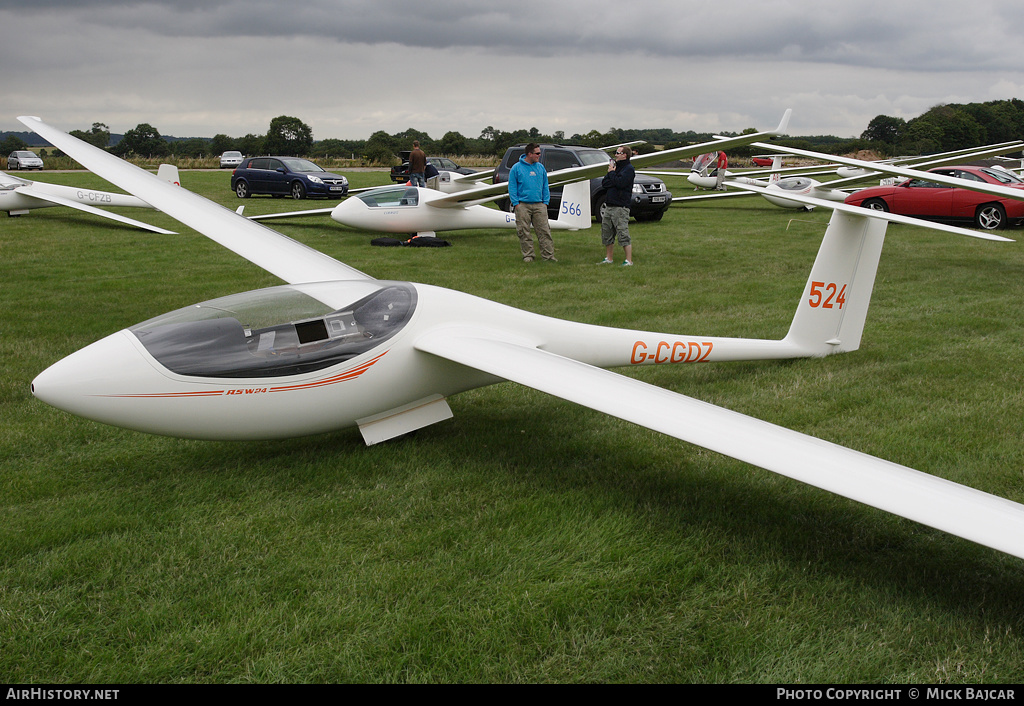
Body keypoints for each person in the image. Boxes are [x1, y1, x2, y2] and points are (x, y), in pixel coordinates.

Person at [508, 143, 555, 262]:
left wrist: (545, 202)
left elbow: (545, 185)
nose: (539, 155)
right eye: (537, 153)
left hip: (540, 204)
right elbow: (512, 187)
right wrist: (516, 203)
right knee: (523, 231)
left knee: (544, 231)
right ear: (530, 154)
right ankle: (528, 255)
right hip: (522, 205)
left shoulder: (540, 168)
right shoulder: (516, 168)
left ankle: (548, 256)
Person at [598, 146, 635, 266]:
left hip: (621, 206)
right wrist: (612, 175)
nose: (616, 155)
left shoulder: (629, 169)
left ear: (625, 155)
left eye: (618, 153)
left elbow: (620, 183)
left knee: (622, 233)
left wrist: (612, 174)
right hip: (609, 205)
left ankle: (629, 260)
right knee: (607, 232)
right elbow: (605, 183)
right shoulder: (615, 168)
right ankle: (609, 258)